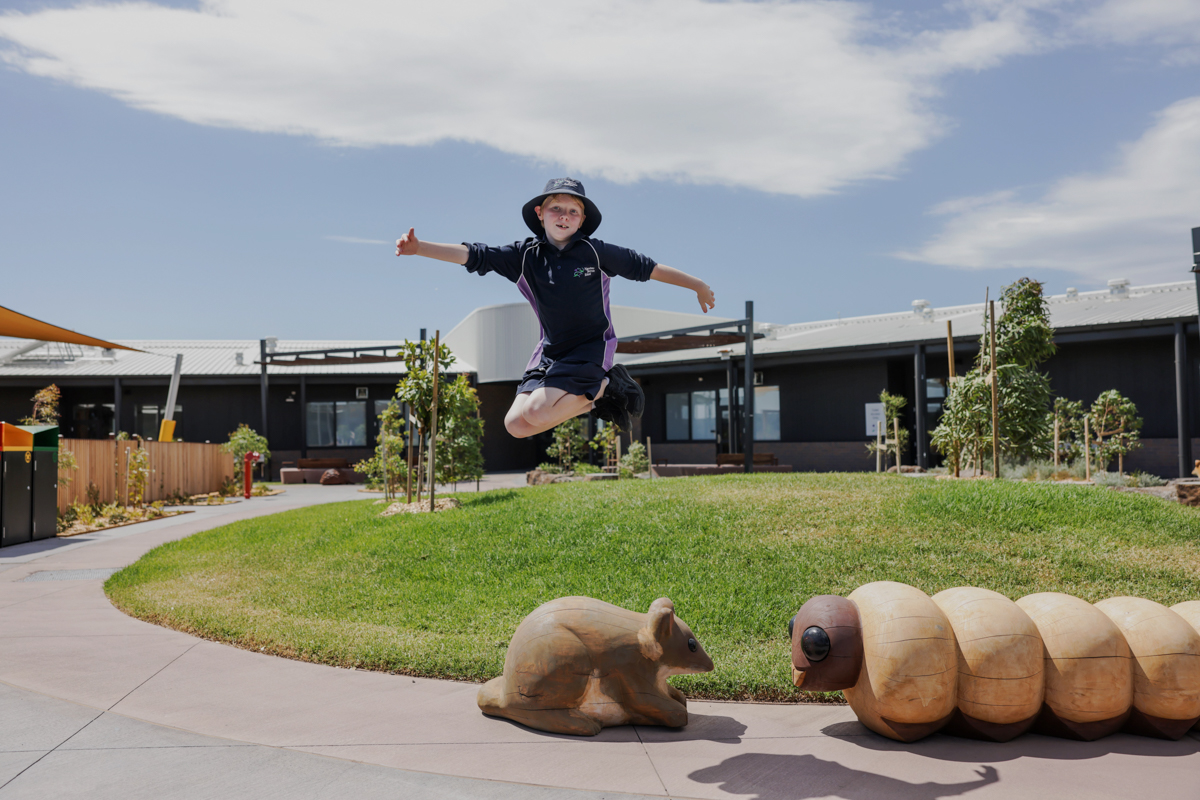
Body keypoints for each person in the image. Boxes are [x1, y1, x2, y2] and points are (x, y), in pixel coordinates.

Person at [396, 177, 715, 439]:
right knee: (516, 426)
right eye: (556, 208)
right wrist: (419, 248)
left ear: (582, 220)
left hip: (591, 347)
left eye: (573, 211)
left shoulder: (595, 253)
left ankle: (605, 383)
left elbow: (648, 267)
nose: (564, 216)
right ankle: (601, 397)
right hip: (548, 352)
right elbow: (474, 255)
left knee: (536, 411)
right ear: (540, 213)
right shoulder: (523, 256)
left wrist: (697, 285)